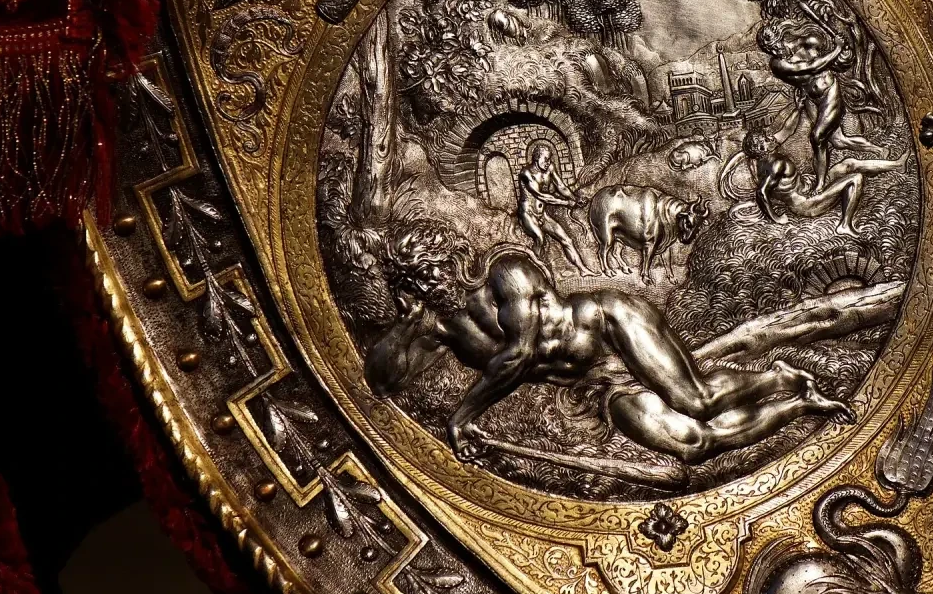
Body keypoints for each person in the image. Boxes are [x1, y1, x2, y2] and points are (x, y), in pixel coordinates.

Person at [365, 223, 854, 473]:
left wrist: (461, 416)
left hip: (613, 325)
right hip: (597, 380)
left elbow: (520, 355)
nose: (430, 282)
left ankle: (777, 376)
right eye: (417, 280)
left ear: (450, 259)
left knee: (696, 400)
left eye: (432, 270)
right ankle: (798, 404)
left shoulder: (506, 273)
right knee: (694, 445)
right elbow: (381, 382)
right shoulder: (440, 326)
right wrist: (404, 324)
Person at [758, 18, 880, 191]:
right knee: (838, 141)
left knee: (817, 137)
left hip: (829, 91)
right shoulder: (778, 64)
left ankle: (820, 184)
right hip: (811, 98)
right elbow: (812, 67)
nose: (775, 50)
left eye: (775, 45)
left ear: (780, 37)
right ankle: (878, 150)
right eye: (769, 50)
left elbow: (817, 51)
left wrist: (839, 47)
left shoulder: (799, 43)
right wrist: (837, 48)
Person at [742, 132, 905, 234]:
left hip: (809, 190)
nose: (770, 137)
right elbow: (761, 192)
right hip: (807, 204)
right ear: (761, 148)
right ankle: (845, 225)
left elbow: (786, 129)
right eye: (765, 138)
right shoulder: (775, 164)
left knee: (847, 164)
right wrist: (776, 218)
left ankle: (897, 165)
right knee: (856, 178)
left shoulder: (763, 161)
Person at [516, 142, 595, 276]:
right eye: (546, 159)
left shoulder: (550, 168)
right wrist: (566, 203)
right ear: (537, 157)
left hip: (542, 215)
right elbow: (541, 196)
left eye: (550, 159)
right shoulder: (526, 173)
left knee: (567, 240)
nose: (548, 162)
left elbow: (561, 186)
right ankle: (533, 272)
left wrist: (575, 198)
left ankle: (583, 269)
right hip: (528, 214)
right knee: (539, 238)